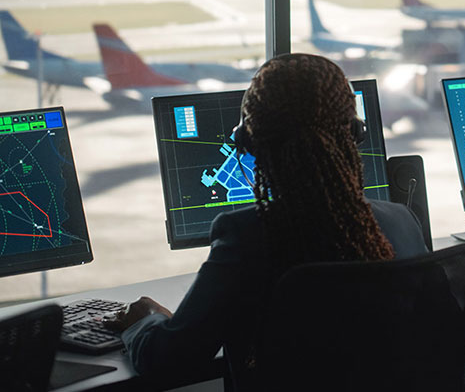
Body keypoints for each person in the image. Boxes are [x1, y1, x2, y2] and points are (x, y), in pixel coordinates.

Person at [104, 54, 441, 390]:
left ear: (249, 143)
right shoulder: (402, 222)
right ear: (355, 133)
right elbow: (461, 347)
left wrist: (144, 321)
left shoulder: (247, 238)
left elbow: (168, 362)